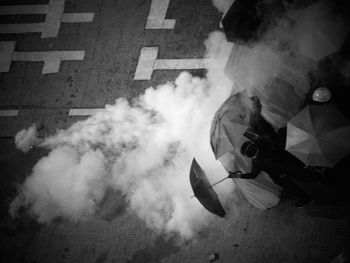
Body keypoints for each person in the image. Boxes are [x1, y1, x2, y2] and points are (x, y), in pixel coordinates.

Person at [229, 140, 314, 207]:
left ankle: (306, 198)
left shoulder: (257, 162)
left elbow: (253, 175)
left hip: (279, 175)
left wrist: (238, 175)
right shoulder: (261, 145)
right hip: (287, 162)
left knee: (292, 187)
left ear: (250, 155)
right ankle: (315, 177)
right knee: (300, 173)